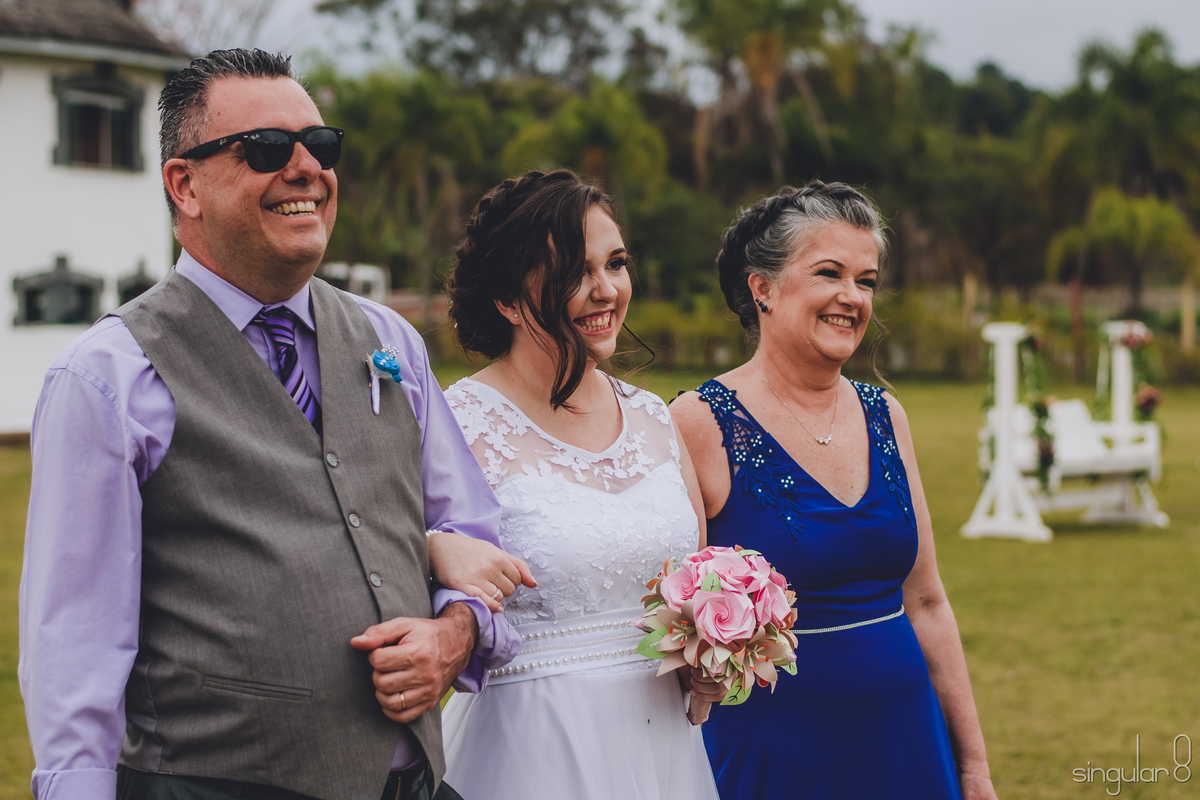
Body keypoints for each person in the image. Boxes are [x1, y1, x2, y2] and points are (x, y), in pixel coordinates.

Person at [18, 48, 528, 800]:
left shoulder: (391, 343)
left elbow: (472, 535)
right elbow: (74, 648)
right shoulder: (106, 377)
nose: (305, 169)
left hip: (412, 782)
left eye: (320, 147)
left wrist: (455, 635)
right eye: (265, 148)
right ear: (183, 185)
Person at [671, 182, 999, 800]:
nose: (852, 297)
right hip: (776, 747)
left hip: (907, 737)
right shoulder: (697, 424)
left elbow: (927, 601)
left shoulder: (886, 415)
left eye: (867, 280)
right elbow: (671, 616)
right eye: (830, 273)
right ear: (761, 287)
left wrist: (973, 765)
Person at [433, 169, 722, 800]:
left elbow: (695, 576)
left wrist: (709, 657)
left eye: (614, 263)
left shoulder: (653, 416)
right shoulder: (458, 422)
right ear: (509, 299)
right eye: (574, 272)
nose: (605, 290)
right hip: (533, 749)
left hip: (662, 748)